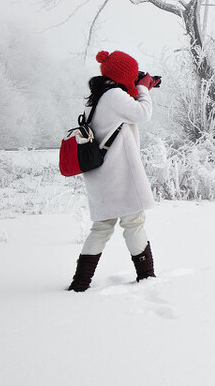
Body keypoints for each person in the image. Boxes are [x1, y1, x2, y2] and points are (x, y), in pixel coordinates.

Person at [66, 50, 161, 292]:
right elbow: (143, 113)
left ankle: (80, 282)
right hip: (118, 173)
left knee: (102, 226)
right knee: (134, 222)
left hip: (101, 175)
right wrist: (143, 88)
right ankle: (146, 276)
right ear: (123, 76)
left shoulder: (97, 98)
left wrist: (138, 88)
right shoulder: (115, 96)